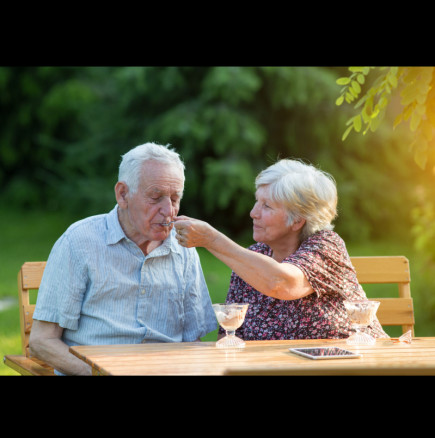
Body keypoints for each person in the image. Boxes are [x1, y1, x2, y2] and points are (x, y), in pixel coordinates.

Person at [30, 142, 217, 375]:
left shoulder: (184, 249)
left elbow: (193, 341)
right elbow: (41, 341)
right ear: (123, 194)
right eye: (156, 197)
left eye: (174, 198)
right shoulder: (79, 242)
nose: (168, 210)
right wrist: (98, 373)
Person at [173, 158, 388, 341]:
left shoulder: (326, 246)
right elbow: (229, 339)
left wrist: (211, 239)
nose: (253, 213)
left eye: (267, 206)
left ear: (297, 220)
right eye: (257, 201)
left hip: (350, 365)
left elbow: (281, 283)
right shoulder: (252, 259)